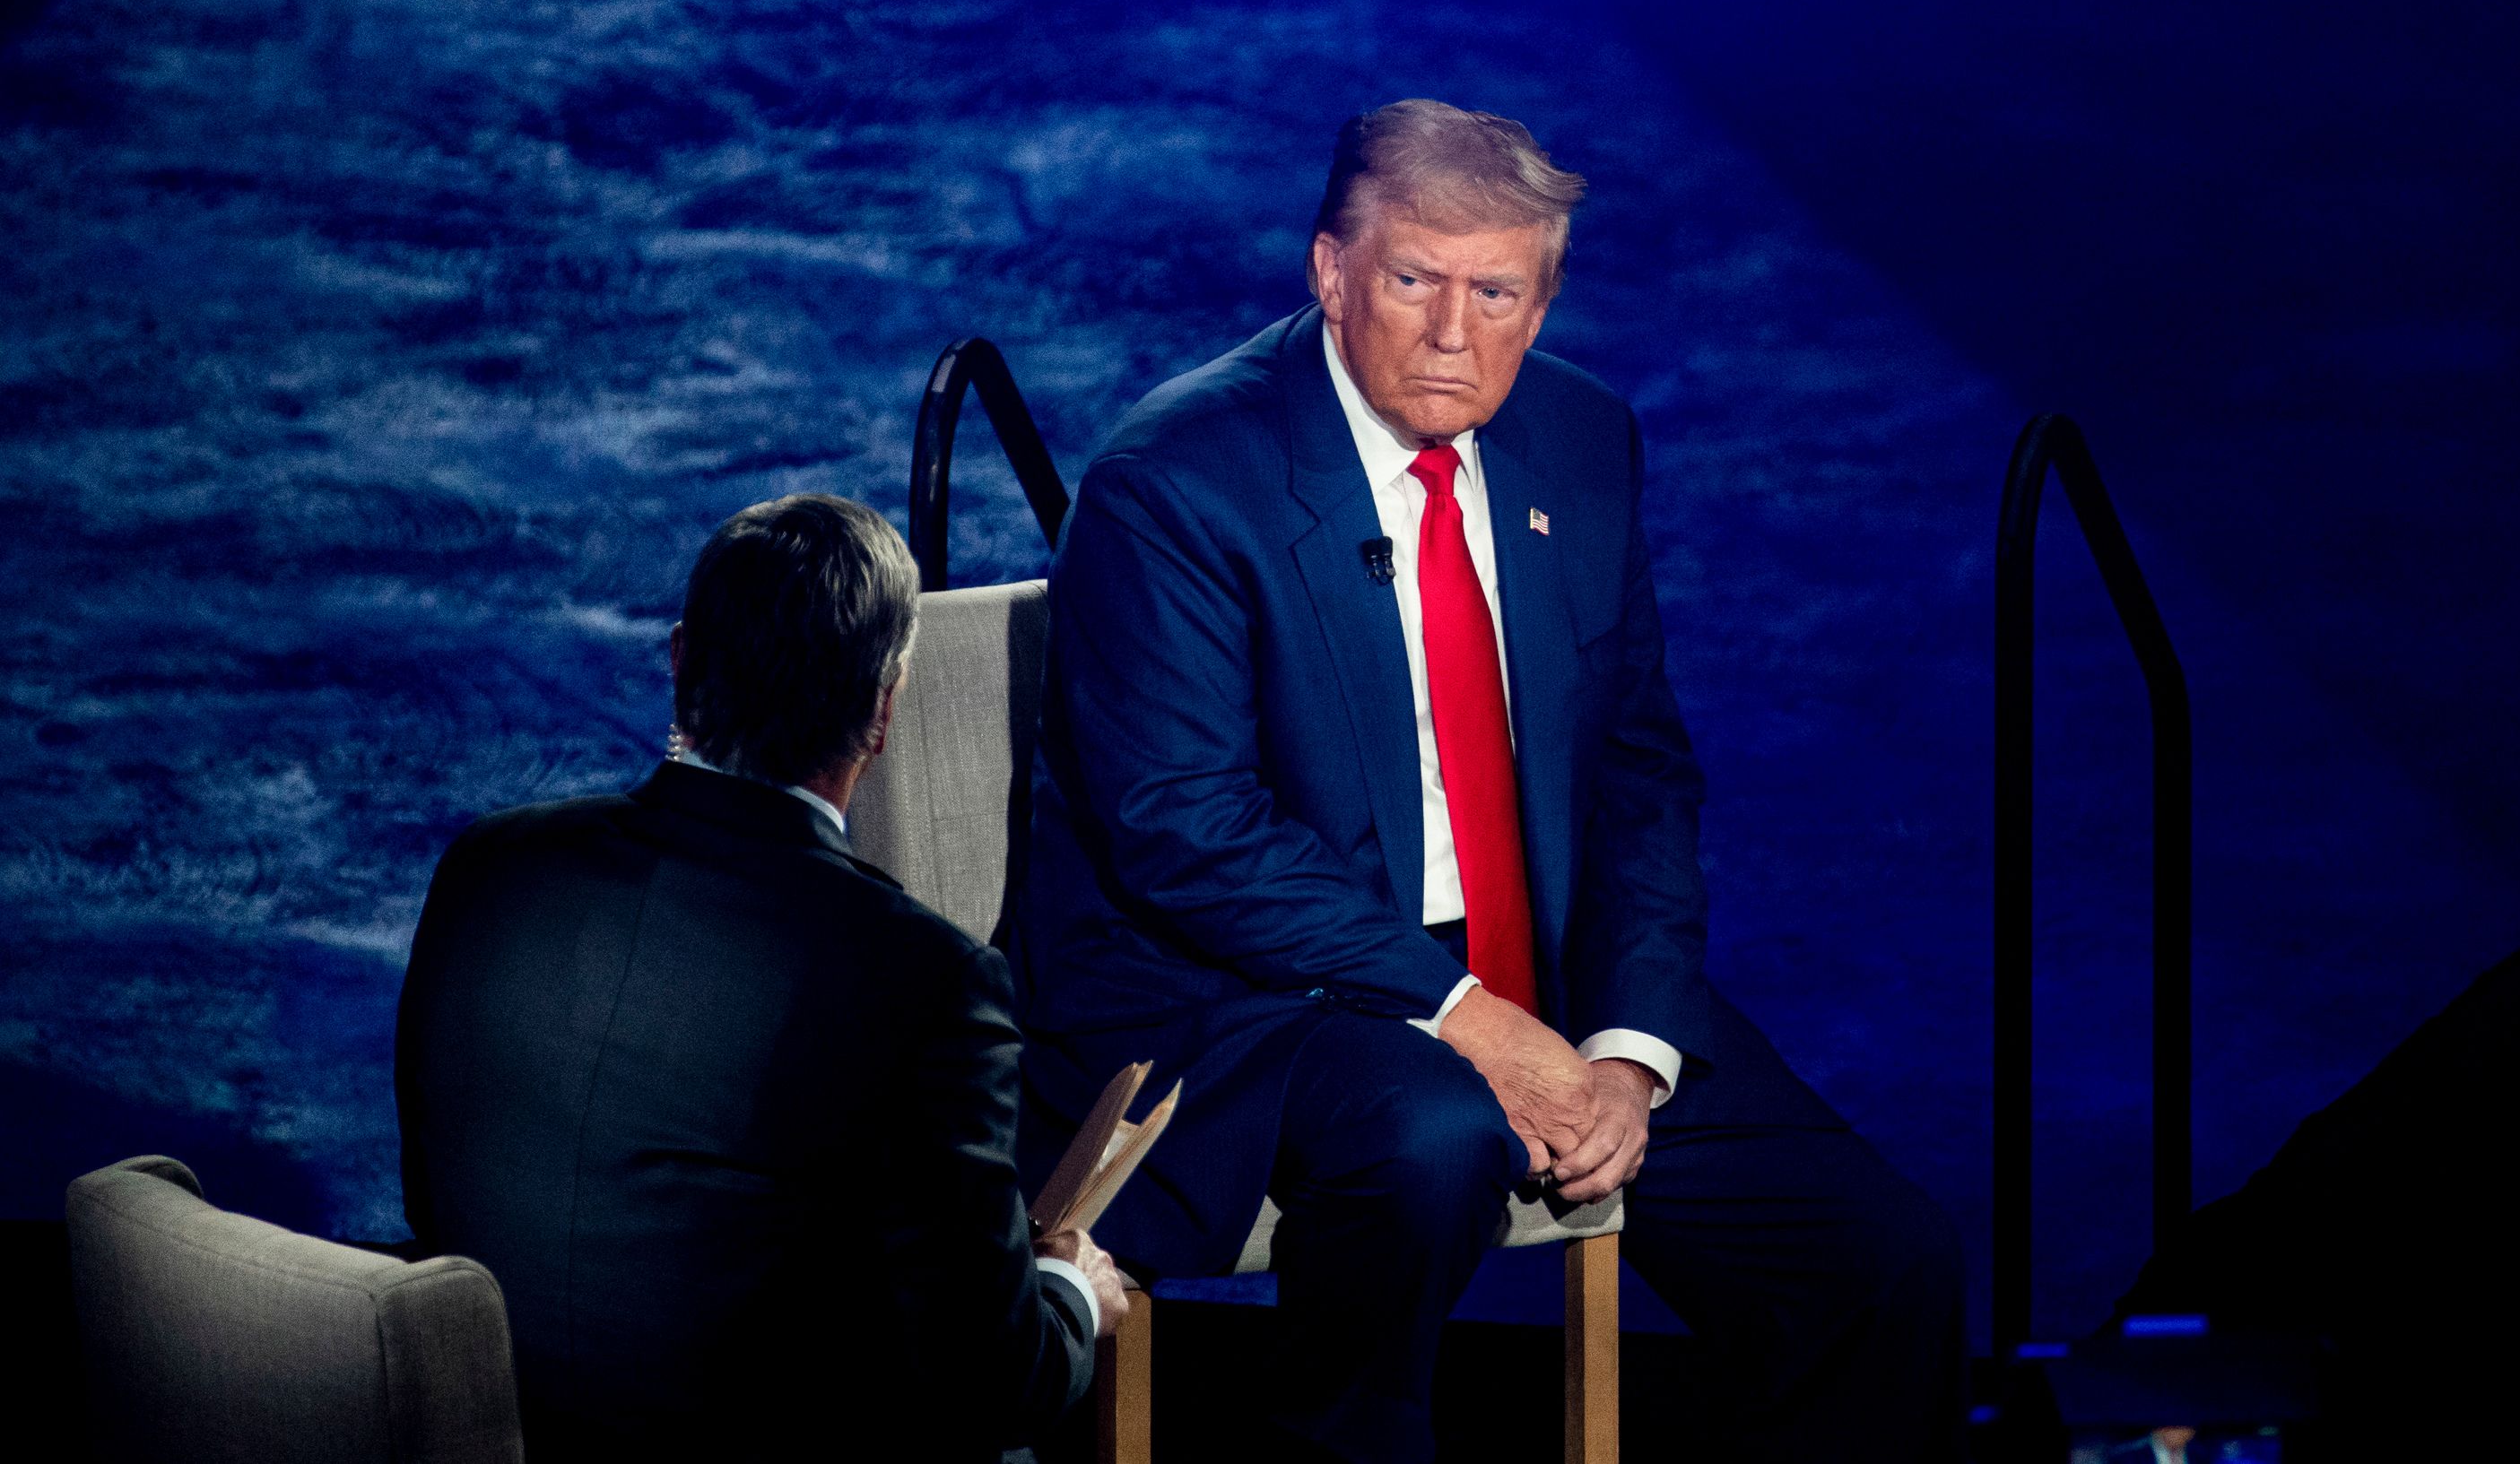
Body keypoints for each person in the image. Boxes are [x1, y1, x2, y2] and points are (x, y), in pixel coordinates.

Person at [1010, 101, 1962, 1464]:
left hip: (1540, 970)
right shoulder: (1174, 484)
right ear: (1331, 271)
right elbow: (1191, 834)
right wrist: (1468, 1015)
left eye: (1498, 290)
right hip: (1249, 988)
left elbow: (1635, 767)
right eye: (1415, 280)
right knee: (1436, 1136)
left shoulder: (1578, 440)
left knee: (1883, 1262)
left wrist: (1631, 1049)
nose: (1456, 331)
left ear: (1545, 294)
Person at [395, 495, 1126, 1464]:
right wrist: (1071, 1291)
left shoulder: (487, 870)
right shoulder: (927, 982)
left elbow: (431, 1201)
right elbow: (995, 1384)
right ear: (883, 709)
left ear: (680, 662)